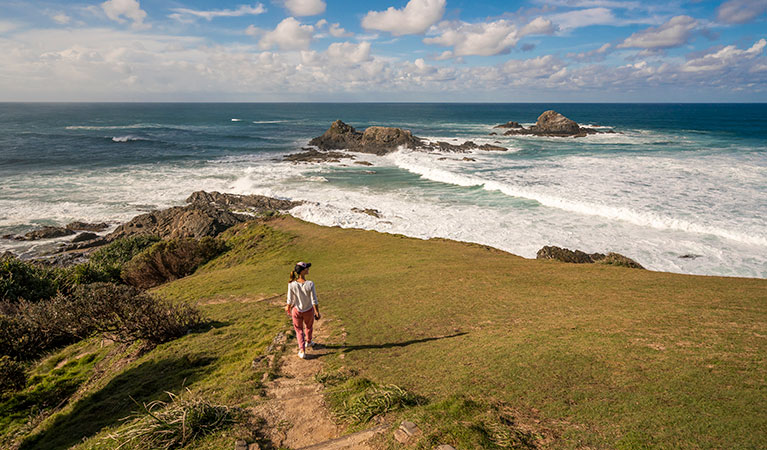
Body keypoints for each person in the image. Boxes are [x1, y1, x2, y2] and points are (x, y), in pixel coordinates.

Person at [285, 261, 321, 359]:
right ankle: (308, 342)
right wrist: (317, 312)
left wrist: (288, 307)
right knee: (309, 327)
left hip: (296, 310)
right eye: (307, 268)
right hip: (308, 310)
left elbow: (290, 299)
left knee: (298, 330)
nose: (308, 269)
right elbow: (314, 299)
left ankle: (302, 350)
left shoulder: (291, 284)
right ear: (302, 271)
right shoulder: (310, 284)